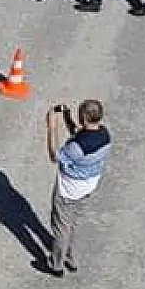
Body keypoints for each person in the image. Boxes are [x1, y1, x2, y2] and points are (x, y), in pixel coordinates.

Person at [44, 99, 111, 276]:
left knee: (61, 227)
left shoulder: (77, 147)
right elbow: (79, 134)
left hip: (69, 189)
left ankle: (56, 264)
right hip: (88, 186)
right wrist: (67, 117)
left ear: (83, 116)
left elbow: (54, 156)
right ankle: (70, 258)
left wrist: (52, 128)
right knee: (72, 223)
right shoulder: (104, 134)